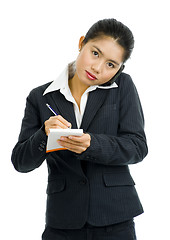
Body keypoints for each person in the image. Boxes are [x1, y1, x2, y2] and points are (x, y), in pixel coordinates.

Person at [11, 18, 148, 240]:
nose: (98, 68)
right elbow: (20, 162)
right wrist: (43, 135)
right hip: (63, 220)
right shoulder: (40, 97)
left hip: (115, 218)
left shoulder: (122, 86)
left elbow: (137, 147)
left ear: (119, 69)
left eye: (111, 64)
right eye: (95, 53)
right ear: (82, 42)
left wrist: (92, 144)